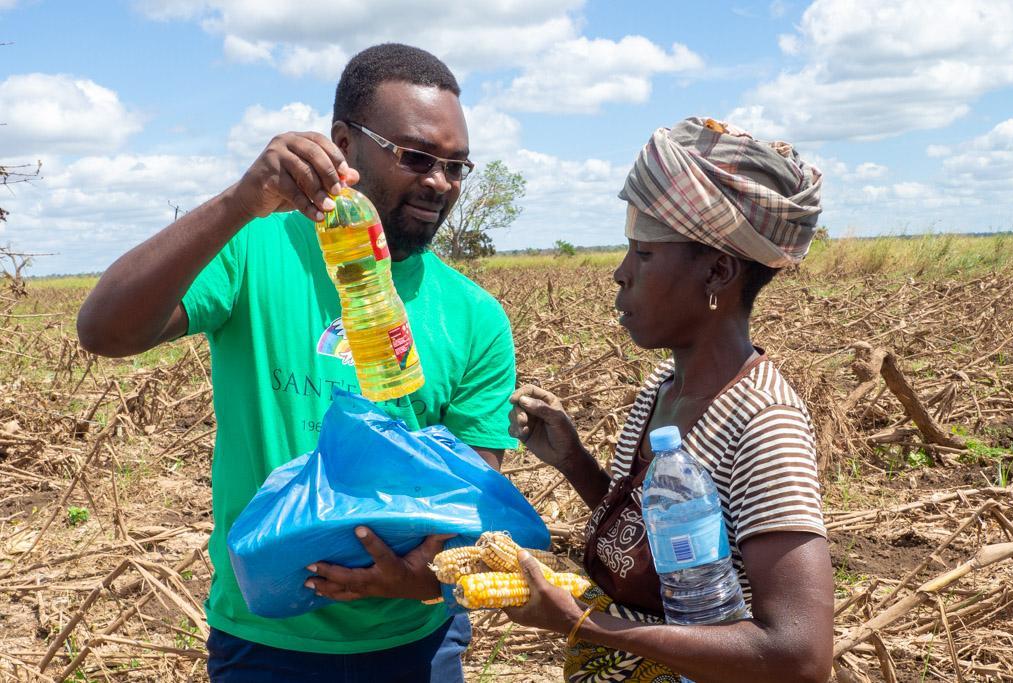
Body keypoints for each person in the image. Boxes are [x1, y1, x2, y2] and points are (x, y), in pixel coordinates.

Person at [76, 43, 519, 682]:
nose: (440, 184)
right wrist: (236, 204)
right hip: (266, 636)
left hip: (416, 643)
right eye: (418, 157)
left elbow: (470, 497)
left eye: (456, 166)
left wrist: (417, 581)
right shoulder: (253, 250)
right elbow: (103, 330)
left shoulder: (474, 317)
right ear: (344, 143)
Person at [505, 117, 833, 683]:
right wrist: (573, 462)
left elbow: (799, 654)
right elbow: (667, 541)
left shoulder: (762, 422)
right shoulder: (664, 387)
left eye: (644, 255)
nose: (619, 274)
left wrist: (582, 625)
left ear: (719, 271)